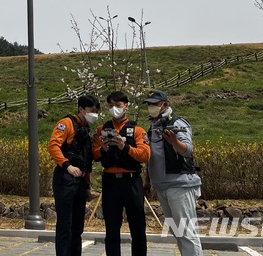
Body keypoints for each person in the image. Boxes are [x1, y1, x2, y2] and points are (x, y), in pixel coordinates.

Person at [142, 90, 203, 256]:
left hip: (180, 184)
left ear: (165, 105)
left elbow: (188, 150)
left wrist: (174, 141)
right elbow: (152, 157)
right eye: (149, 104)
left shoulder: (176, 123)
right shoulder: (153, 126)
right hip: (161, 186)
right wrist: (148, 181)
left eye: (155, 104)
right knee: (177, 232)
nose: (151, 107)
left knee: (187, 233)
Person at [92, 91, 150, 256]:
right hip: (110, 182)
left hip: (131, 181)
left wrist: (125, 147)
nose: (114, 109)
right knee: (111, 227)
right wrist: (102, 149)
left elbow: (145, 155)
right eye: (110, 106)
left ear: (126, 106)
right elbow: (94, 155)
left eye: (118, 105)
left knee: (138, 227)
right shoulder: (102, 129)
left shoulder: (137, 130)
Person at [48, 95, 101, 256]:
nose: (95, 114)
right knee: (65, 224)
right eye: (92, 111)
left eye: (97, 111)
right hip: (66, 177)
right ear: (81, 109)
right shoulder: (66, 124)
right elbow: (53, 146)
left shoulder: (85, 128)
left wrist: (87, 185)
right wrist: (66, 165)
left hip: (80, 180)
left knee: (77, 226)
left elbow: (86, 160)